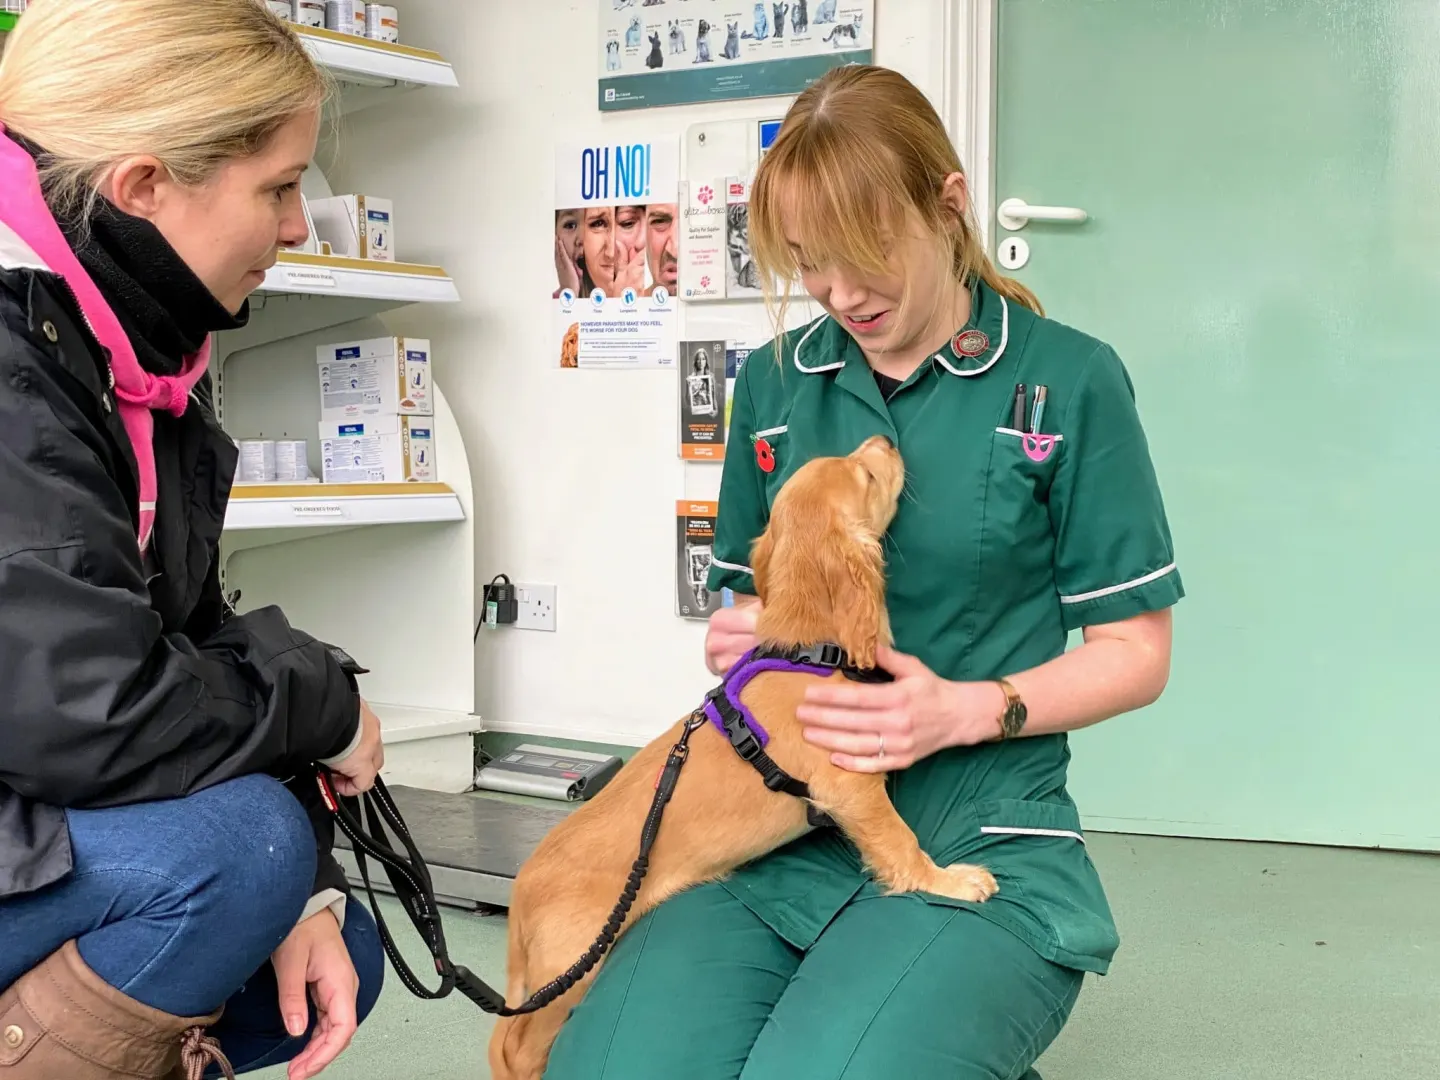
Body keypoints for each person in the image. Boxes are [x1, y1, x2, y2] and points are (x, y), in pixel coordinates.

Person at [543, 64, 1183, 1079]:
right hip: (781, 830)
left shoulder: (1069, 379)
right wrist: (747, 637)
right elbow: (755, 611)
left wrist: (966, 710)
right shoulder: (774, 382)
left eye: (865, 257)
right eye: (809, 263)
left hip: (977, 821)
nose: (840, 295)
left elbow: (1136, 653)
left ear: (949, 204)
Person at [0, 1, 387, 1077]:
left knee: (324, 939)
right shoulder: (16, 362)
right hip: (44, 761)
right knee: (239, 856)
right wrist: (324, 704)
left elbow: (181, 631)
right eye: (277, 188)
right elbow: (93, 714)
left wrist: (310, 886)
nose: (299, 225)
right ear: (142, 186)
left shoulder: (128, 345)